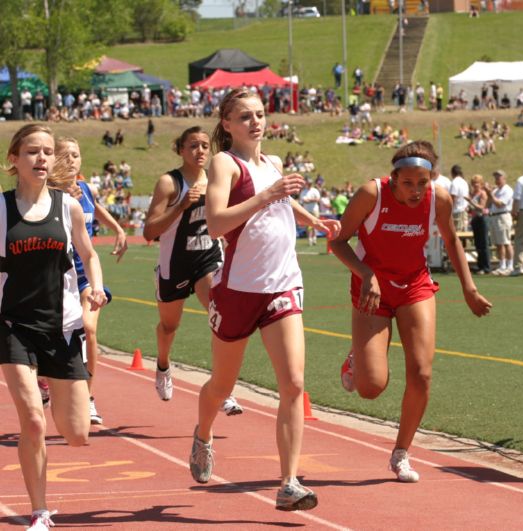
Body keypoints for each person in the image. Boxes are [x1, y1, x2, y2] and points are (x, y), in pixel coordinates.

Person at [190, 88, 339, 510]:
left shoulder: (272, 162)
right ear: (227, 124)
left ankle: (288, 483)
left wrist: (314, 219)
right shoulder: (224, 163)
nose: (256, 122)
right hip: (238, 290)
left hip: (282, 285)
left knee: (293, 383)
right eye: (245, 117)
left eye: (260, 114)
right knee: (222, 384)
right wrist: (267, 195)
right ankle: (203, 431)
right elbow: (217, 224)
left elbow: (283, 205)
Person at [331, 141, 491, 483]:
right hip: (371, 288)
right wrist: (366, 274)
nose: (417, 190)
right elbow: (337, 241)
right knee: (371, 387)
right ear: (394, 177)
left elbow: (451, 240)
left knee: (421, 373)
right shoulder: (370, 194)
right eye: (408, 183)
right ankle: (357, 358)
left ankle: (401, 452)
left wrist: (469, 288)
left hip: (415, 286)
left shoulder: (440, 198)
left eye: (423, 181)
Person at [1, 124, 108, 531]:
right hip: (13, 325)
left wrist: (94, 288)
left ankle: (51, 387)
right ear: (14, 158)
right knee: (32, 421)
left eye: (47, 151)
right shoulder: (1, 209)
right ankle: (39, 510)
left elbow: (88, 254)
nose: (42, 158)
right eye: (32, 151)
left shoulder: (69, 207)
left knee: (77, 433)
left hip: (62, 327)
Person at [142, 127, 243, 416]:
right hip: (175, 264)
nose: (200, 151)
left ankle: (224, 389)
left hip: (208, 259)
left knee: (220, 317)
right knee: (169, 327)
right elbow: (149, 231)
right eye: (193, 146)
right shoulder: (169, 183)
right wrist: (181, 207)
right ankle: (162, 364)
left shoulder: (217, 179)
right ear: (181, 150)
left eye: (203, 145)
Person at [46, 137, 128, 425]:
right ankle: (47, 380)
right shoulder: (47, 194)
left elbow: (97, 209)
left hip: (84, 277)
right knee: (48, 335)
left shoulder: (86, 189)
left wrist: (118, 228)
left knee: (89, 330)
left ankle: (88, 398)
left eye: (76, 155)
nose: (71, 160)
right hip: (54, 278)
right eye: (65, 155)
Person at [486, 170, 514, 275]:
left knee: (506, 241)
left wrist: (490, 194)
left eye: (499, 177)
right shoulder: (496, 191)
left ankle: (510, 265)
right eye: (496, 178)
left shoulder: (507, 190)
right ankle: (502, 265)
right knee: (498, 243)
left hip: (503, 216)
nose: (497, 180)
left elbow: (500, 204)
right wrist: (489, 193)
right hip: (494, 216)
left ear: (504, 178)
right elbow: (488, 204)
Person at [466, 174, 491, 274]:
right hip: (474, 219)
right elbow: (472, 208)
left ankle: (486, 267)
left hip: (482, 218)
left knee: (483, 243)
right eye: (473, 183)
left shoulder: (482, 193)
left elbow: (481, 207)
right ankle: (480, 265)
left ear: (481, 184)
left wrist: (470, 202)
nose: (475, 185)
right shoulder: (472, 194)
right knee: (477, 243)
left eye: (477, 183)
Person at [449, 164, 469, 232]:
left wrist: (449, 211)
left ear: (452, 173)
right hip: (464, 211)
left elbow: (452, 198)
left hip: (457, 212)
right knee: (464, 233)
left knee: (457, 233)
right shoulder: (464, 182)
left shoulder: (454, 182)